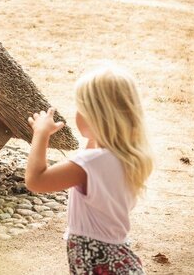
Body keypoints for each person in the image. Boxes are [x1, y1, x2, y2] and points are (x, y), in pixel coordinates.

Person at [25, 65, 153, 275]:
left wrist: (41, 134)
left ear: (95, 116)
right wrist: (95, 137)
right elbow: (95, 164)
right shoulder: (128, 158)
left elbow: (36, 180)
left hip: (99, 264)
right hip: (117, 260)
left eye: (80, 108)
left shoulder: (89, 164)